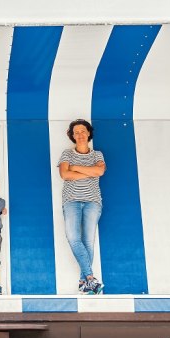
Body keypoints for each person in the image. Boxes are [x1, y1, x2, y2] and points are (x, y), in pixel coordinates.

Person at [58, 119, 106, 294]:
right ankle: (90, 279)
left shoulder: (97, 155)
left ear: (89, 133)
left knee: (88, 242)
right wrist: (89, 171)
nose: (80, 134)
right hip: (71, 200)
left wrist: (75, 168)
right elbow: (65, 175)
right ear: (72, 135)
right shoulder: (66, 154)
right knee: (73, 238)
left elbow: (100, 171)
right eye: (76, 132)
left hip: (93, 201)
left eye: (83, 131)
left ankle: (83, 283)